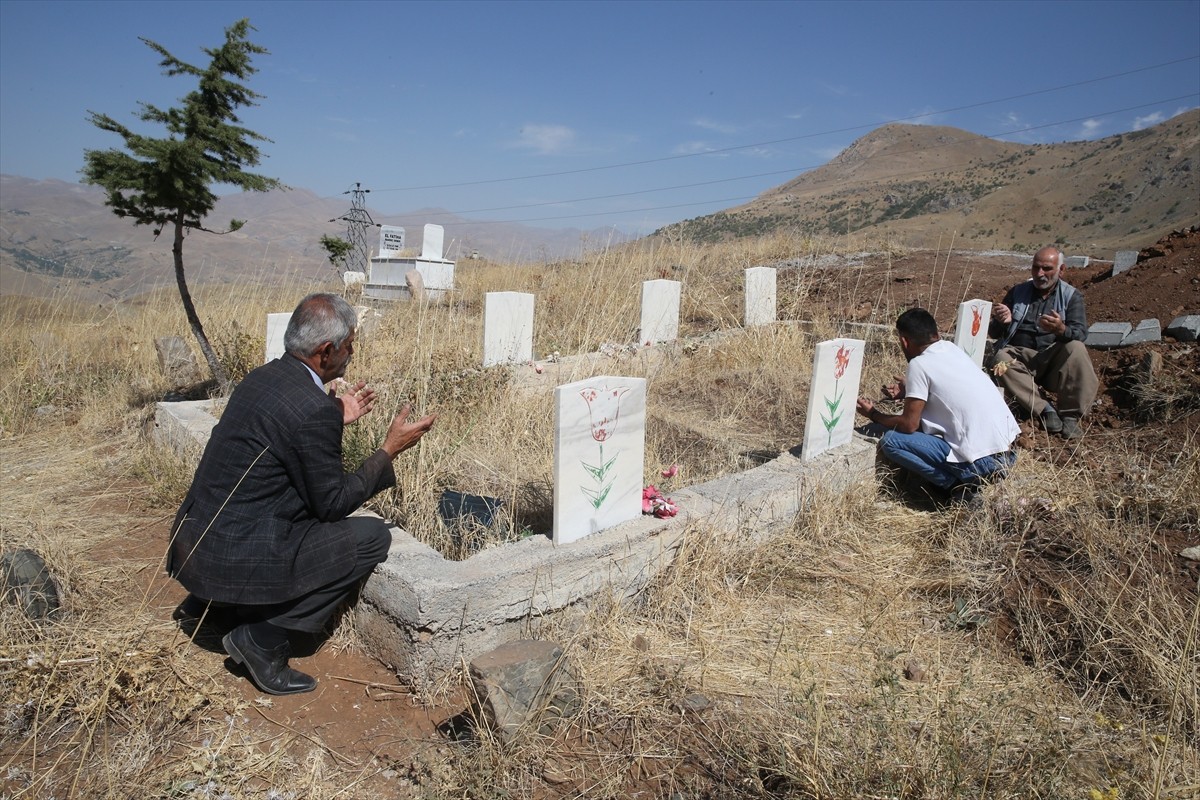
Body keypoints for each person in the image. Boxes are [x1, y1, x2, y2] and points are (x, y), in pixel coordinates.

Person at [167, 293, 436, 695]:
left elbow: (283, 451)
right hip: (234, 557)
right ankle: (262, 639)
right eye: (348, 346)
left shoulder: (262, 378)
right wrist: (387, 451)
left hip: (196, 548)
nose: (351, 354)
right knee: (370, 537)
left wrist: (332, 416)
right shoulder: (312, 409)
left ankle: (215, 607)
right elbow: (332, 504)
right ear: (326, 351)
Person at [856, 308, 1020, 505]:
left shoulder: (919, 364)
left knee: (891, 441)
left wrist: (873, 414)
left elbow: (909, 424)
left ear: (904, 341)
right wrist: (910, 390)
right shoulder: (952, 349)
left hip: (982, 464)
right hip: (1008, 454)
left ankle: (958, 489)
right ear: (937, 334)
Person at [989, 246, 1099, 439]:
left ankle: (1071, 416)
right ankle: (1044, 409)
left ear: (1061, 270)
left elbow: (1081, 333)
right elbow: (994, 332)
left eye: (1047, 268)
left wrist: (1061, 329)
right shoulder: (1018, 292)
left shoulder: (1071, 296)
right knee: (1000, 359)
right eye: (1036, 268)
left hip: (1051, 360)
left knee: (1076, 348)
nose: (1040, 274)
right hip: (1019, 359)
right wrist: (1002, 322)